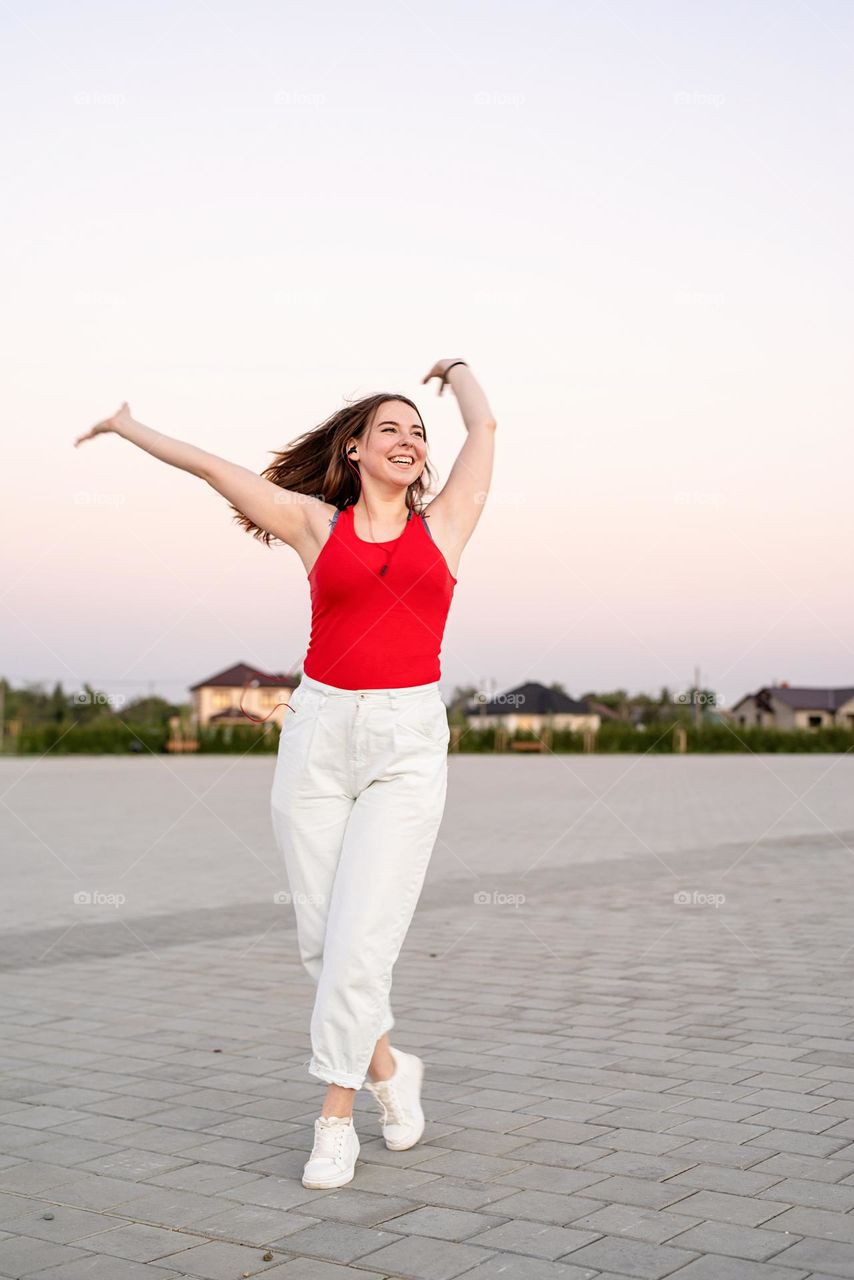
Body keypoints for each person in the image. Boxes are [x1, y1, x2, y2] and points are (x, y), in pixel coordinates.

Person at [74, 358, 497, 1189]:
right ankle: (389, 1071)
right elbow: (215, 470)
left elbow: (483, 427)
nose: (409, 440)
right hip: (317, 734)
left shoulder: (445, 525)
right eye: (390, 428)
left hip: (406, 743)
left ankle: (335, 1120)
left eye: (417, 431)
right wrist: (128, 427)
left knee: (361, 939)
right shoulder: (314, 525)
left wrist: (455, 372)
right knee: (323, 940)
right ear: (354, 449)